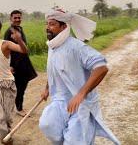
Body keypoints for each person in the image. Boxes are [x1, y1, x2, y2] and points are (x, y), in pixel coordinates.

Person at [39, 9, 120, 145]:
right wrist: (47, 88)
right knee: (47, 125)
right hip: (60, 101)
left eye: (52, 24)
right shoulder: (52, 46)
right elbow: (54, 69)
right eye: (47, 24)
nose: (47, 28)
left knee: (75, 141)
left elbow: (101, 68)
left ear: (64, 27)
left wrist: (81, 94)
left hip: (81, 104)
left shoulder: (76, 47)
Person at [4, 10, 37, 117]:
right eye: (15, 18)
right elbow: (5, 49)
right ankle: (19, 108)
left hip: (23, 62)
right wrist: (9, 65)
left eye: (19, 17)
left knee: (21, 85)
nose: (18, 19)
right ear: (11, 19)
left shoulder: (19, 29)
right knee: (20, 86)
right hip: (16, 64)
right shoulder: (9, 32)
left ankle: (16, 106)